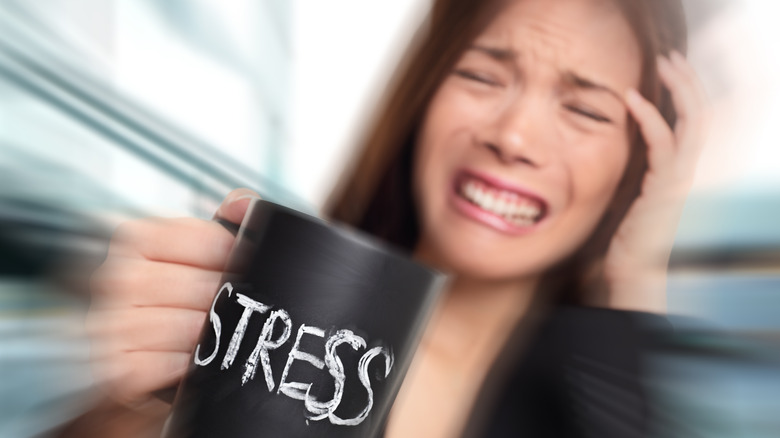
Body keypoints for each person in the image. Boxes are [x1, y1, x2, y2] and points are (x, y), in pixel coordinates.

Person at [82, 0, 709, 436]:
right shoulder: (270, 326)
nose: (514, 137)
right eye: (482, 75)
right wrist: (126, 408)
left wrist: (634, 282)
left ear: (639, 164)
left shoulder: (594, 386)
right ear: (422, 96)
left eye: (587, 111)